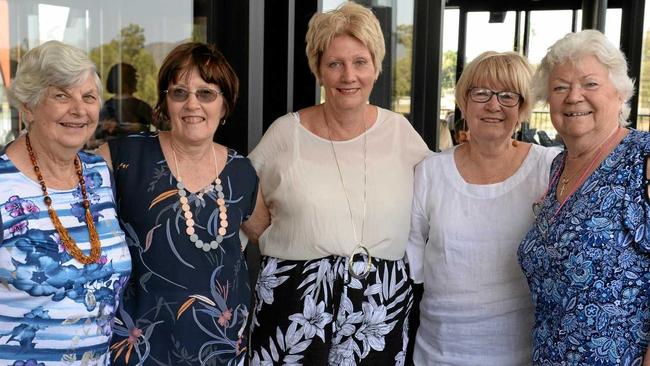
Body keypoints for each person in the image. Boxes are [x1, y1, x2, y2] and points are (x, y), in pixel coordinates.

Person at [244, 3, 429, 364]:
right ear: (318, 70)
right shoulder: (286, 133)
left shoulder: (400, 133)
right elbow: (243, 197)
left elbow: (435, 200)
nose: (349, 76)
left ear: (376, 67)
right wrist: (277, 238)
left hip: (380, 302)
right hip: (295, 298)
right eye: (335, 63)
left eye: (360, 62)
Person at [98, 43, 259, 365]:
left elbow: (264, 231)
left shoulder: (242, 171)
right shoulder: (122, 158)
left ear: (225, 105)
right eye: (179, 92)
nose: (192, 104)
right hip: (136, 343)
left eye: (206, 94)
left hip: (219, 344)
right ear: (165, 102)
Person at [406, 51, 559, 365]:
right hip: (440, 352)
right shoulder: (431, 171)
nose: (493, 105)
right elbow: (413, 257)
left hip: (523, 354)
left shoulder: (549, 168)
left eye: (507, 95)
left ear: (522, 106)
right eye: (481, 93)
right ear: (464, 101)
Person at [518, 29, 650, 365]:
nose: (574, 96)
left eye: (590, 84)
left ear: (619, 94)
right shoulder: (558, 167)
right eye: (560, 87)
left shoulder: (642, 159)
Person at [0, 40, 131, 364]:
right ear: (29, 106)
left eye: (88, 97)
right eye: (61, 95)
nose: (78, 109)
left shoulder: (100, 175)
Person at [92, 63, 153, 147]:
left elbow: (97, 133)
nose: (136, 81)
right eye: (135, 78)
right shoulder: (140, 106)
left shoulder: (105, 106)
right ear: (129, 82)